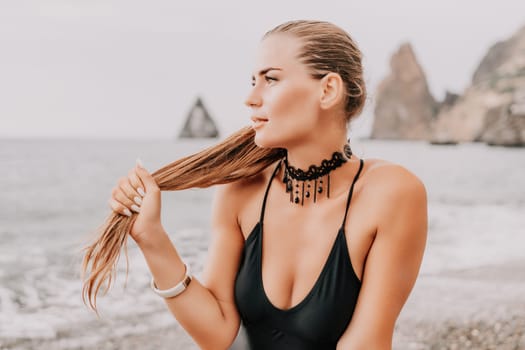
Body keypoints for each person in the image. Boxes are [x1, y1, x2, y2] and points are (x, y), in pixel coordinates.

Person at [82, 19, 428, 350]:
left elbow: (365, 344)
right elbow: (218, 335)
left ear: (328, 90)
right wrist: (152, 238)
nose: (251, 98)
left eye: (271, 80)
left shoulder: (391, 193)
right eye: (253, 82)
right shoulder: (241, 190)